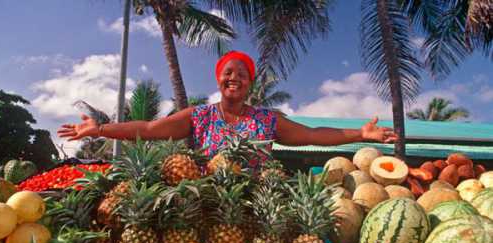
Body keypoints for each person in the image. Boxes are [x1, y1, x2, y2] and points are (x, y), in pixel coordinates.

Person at [58, 51, 398, 159]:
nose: (234, 77)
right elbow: (147, 130)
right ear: (219, 80)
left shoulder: (267, 119)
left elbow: (313, 134)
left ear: (250, 83)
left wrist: (361, 132)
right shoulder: (199, 116)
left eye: (241, 74)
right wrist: (100, 129)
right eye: (227, 72)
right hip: (207, 206)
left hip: (260, 209)